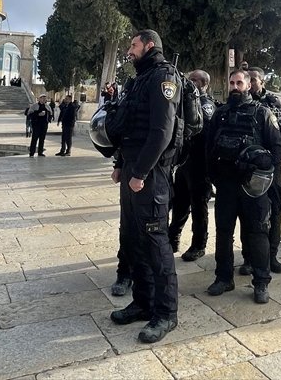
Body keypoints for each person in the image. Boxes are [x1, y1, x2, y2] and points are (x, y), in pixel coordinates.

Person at [109, 30, 181, 344]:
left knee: (155, 243)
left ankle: (166, 314)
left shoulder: (164, 77)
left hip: (151, 175)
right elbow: (130, 126)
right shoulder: (140, 79)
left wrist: (139, 172)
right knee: (133, 238)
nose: (129, 50)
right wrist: (120, 165)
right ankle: (142, 302)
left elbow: (161, 132)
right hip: (133, 171)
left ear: (149, 45)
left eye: (133, 45)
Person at [205, 69, 281, 304]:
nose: (235, 86)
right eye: (232, 82)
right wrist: (215, 179)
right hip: (227, 185)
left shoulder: (263, 113)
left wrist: (258, 160)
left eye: (240, 82)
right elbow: (209, 150)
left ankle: (261, 282)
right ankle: (223, 278)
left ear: (249, 85)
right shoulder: (220, 114)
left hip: (254, 187)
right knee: (223, 233)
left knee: (258, 233)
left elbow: (277, 151)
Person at [241, 69, 281, 276]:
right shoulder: (240, 102)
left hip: (271, 166)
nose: (251, 83)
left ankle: (272, 255)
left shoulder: (273, 102)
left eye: (253, 79)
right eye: (249, 80)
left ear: (261, 81)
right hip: (249, 167)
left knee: (276, 209)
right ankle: (248, 258)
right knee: (248, 213)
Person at [169, 70, 216, 261]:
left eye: (194, 80)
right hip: (184, 163)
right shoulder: (186, 103)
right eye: (188, 80)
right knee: (179, 204)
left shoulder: (205, 105)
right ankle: (173, 238)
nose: (189, 83)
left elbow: (206, 136)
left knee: (199, 207)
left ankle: (199, 244)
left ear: (204, 84)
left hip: (200, 165)